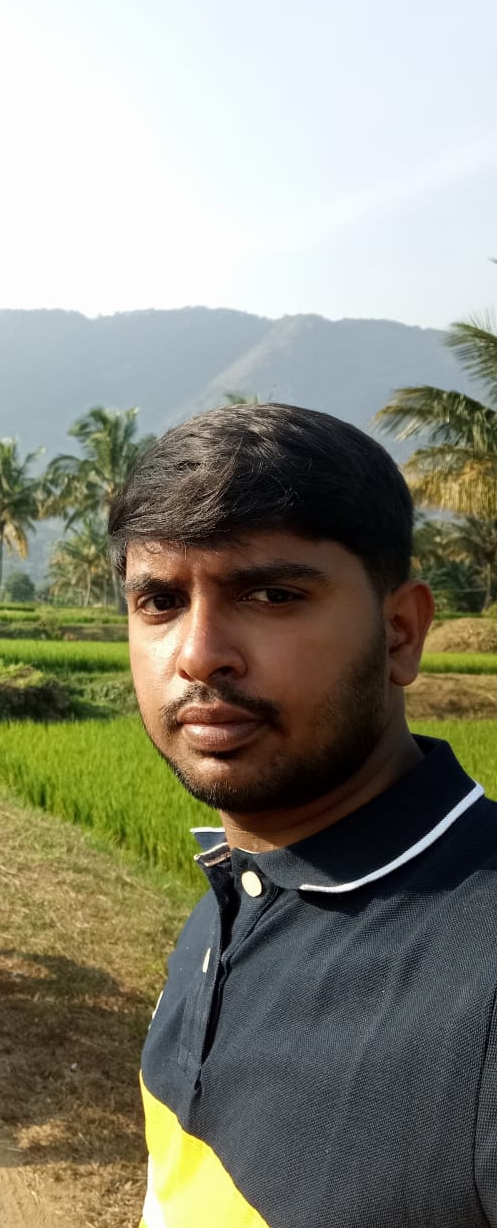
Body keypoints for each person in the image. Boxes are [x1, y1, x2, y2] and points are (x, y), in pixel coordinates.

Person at [107, 402, 497, 1228]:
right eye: (161, 601)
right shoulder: (236, 893)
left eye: (273, 594)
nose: (199, 654)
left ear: (400, 634)